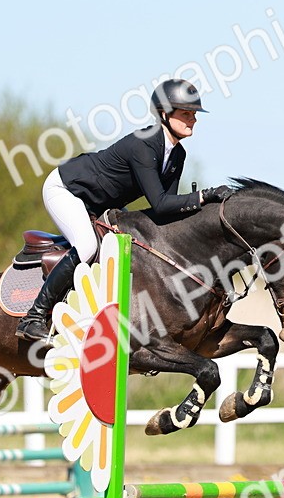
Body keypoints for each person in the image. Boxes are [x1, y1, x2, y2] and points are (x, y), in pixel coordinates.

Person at [15, 78, 236, 342]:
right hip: (68, 190)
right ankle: (33, 317)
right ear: (164, 114)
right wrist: (204, 195)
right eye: (186, 114)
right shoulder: (143, 145)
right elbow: (161, 203)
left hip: (103, 203)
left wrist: (207, 209)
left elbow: (169, 213)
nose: (193, 120)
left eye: (194, 115)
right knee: (86, 247)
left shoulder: (178, 156)